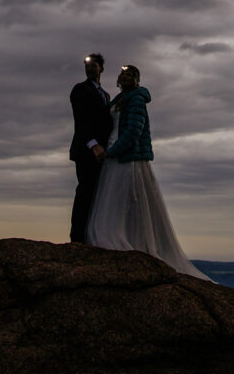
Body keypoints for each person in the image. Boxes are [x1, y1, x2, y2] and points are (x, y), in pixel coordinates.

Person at [86, 64, 211, 280]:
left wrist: (113, 151)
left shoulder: (136, 99)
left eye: (130, 74)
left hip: (127, 156)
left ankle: (131, 241)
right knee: (115, 199)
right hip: (114, 154)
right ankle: (118, 238)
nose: (125, 77)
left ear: (137, 80)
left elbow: (135, 130)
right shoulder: (118, 99)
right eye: (123, 74)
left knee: (127, 198)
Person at [69, 53, 113, 243]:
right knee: (85, 192)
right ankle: (77, 239)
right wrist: (93, 144)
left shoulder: (106, 95)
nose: (89, 68)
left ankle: (90, 236)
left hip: (103, 153)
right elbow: (81, 120)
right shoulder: (80, 89)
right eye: (86, 65)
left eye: (93, 65)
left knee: (96, 194)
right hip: (86, 150)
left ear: (101, 68)